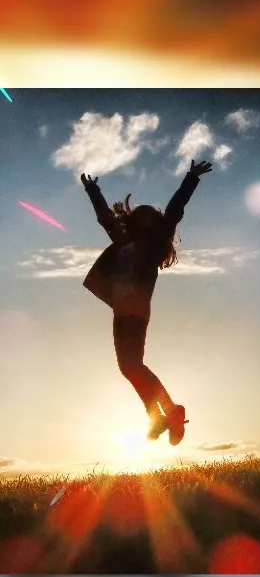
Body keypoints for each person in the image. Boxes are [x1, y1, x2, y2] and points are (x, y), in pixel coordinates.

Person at [80, 159, 213, 445]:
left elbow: (175, 212)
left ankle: (163, 414)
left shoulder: (153, 246)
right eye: (142, 217)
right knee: (130, 366)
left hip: (136, 308)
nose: (146, 220)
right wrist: (93, 191)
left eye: (150, 218)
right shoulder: (123, 240)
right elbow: (106, 218)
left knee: (132, 365)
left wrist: (191, 178)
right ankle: (165, 414)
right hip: (122, 307)